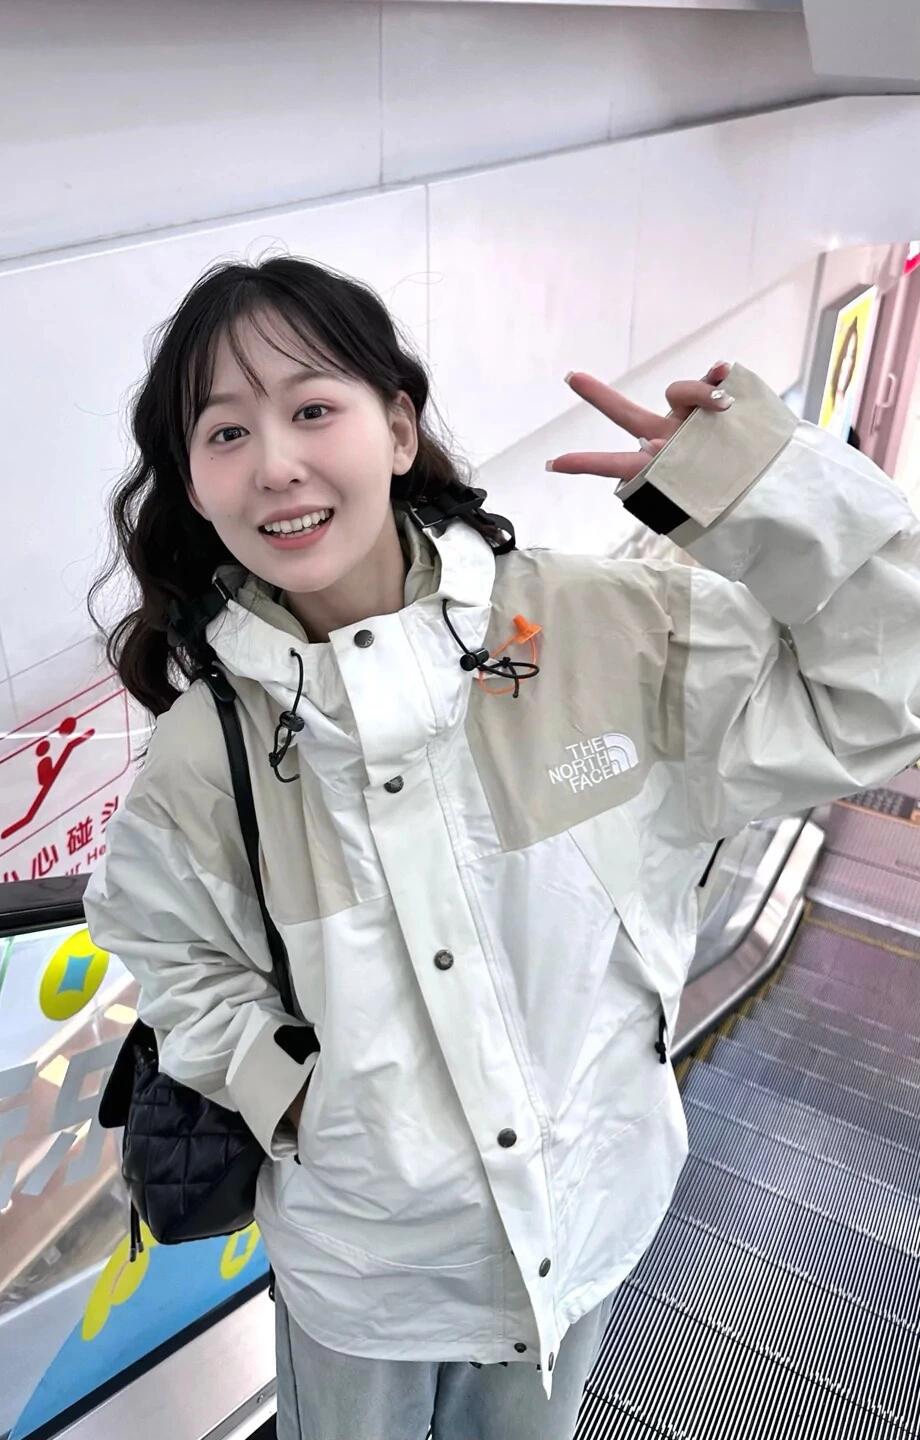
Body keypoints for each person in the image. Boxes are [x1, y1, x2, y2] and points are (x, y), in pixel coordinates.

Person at [82, 253, 920, 1440]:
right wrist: (307, 1105)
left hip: (586, 1219)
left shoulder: (590, 628)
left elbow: (884, 695)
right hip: (364, 1274)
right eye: (225, 434)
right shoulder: (207, 747)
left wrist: (774, 495)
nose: (274, 464)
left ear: (398, 429)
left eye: (312, 409)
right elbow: (165, 948)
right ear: (195, 486)